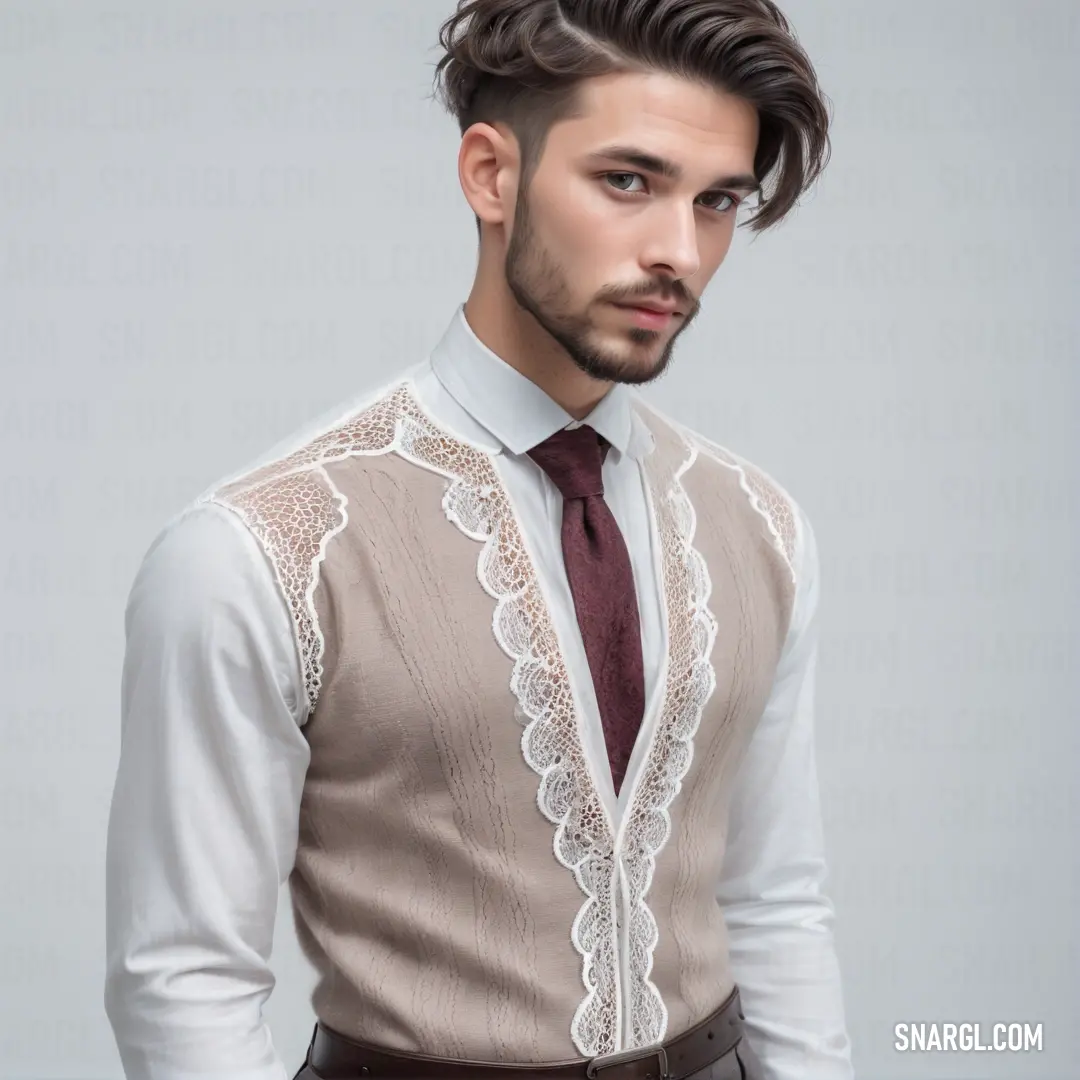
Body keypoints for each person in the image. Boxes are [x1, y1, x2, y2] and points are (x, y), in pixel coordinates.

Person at [104, 1, 852, 1078]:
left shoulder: (762, 526)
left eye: (718, 202)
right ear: (491, 176)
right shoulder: (258, 551)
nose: (679, 253)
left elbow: (775, 898)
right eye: (628, 182)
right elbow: (184, 977)